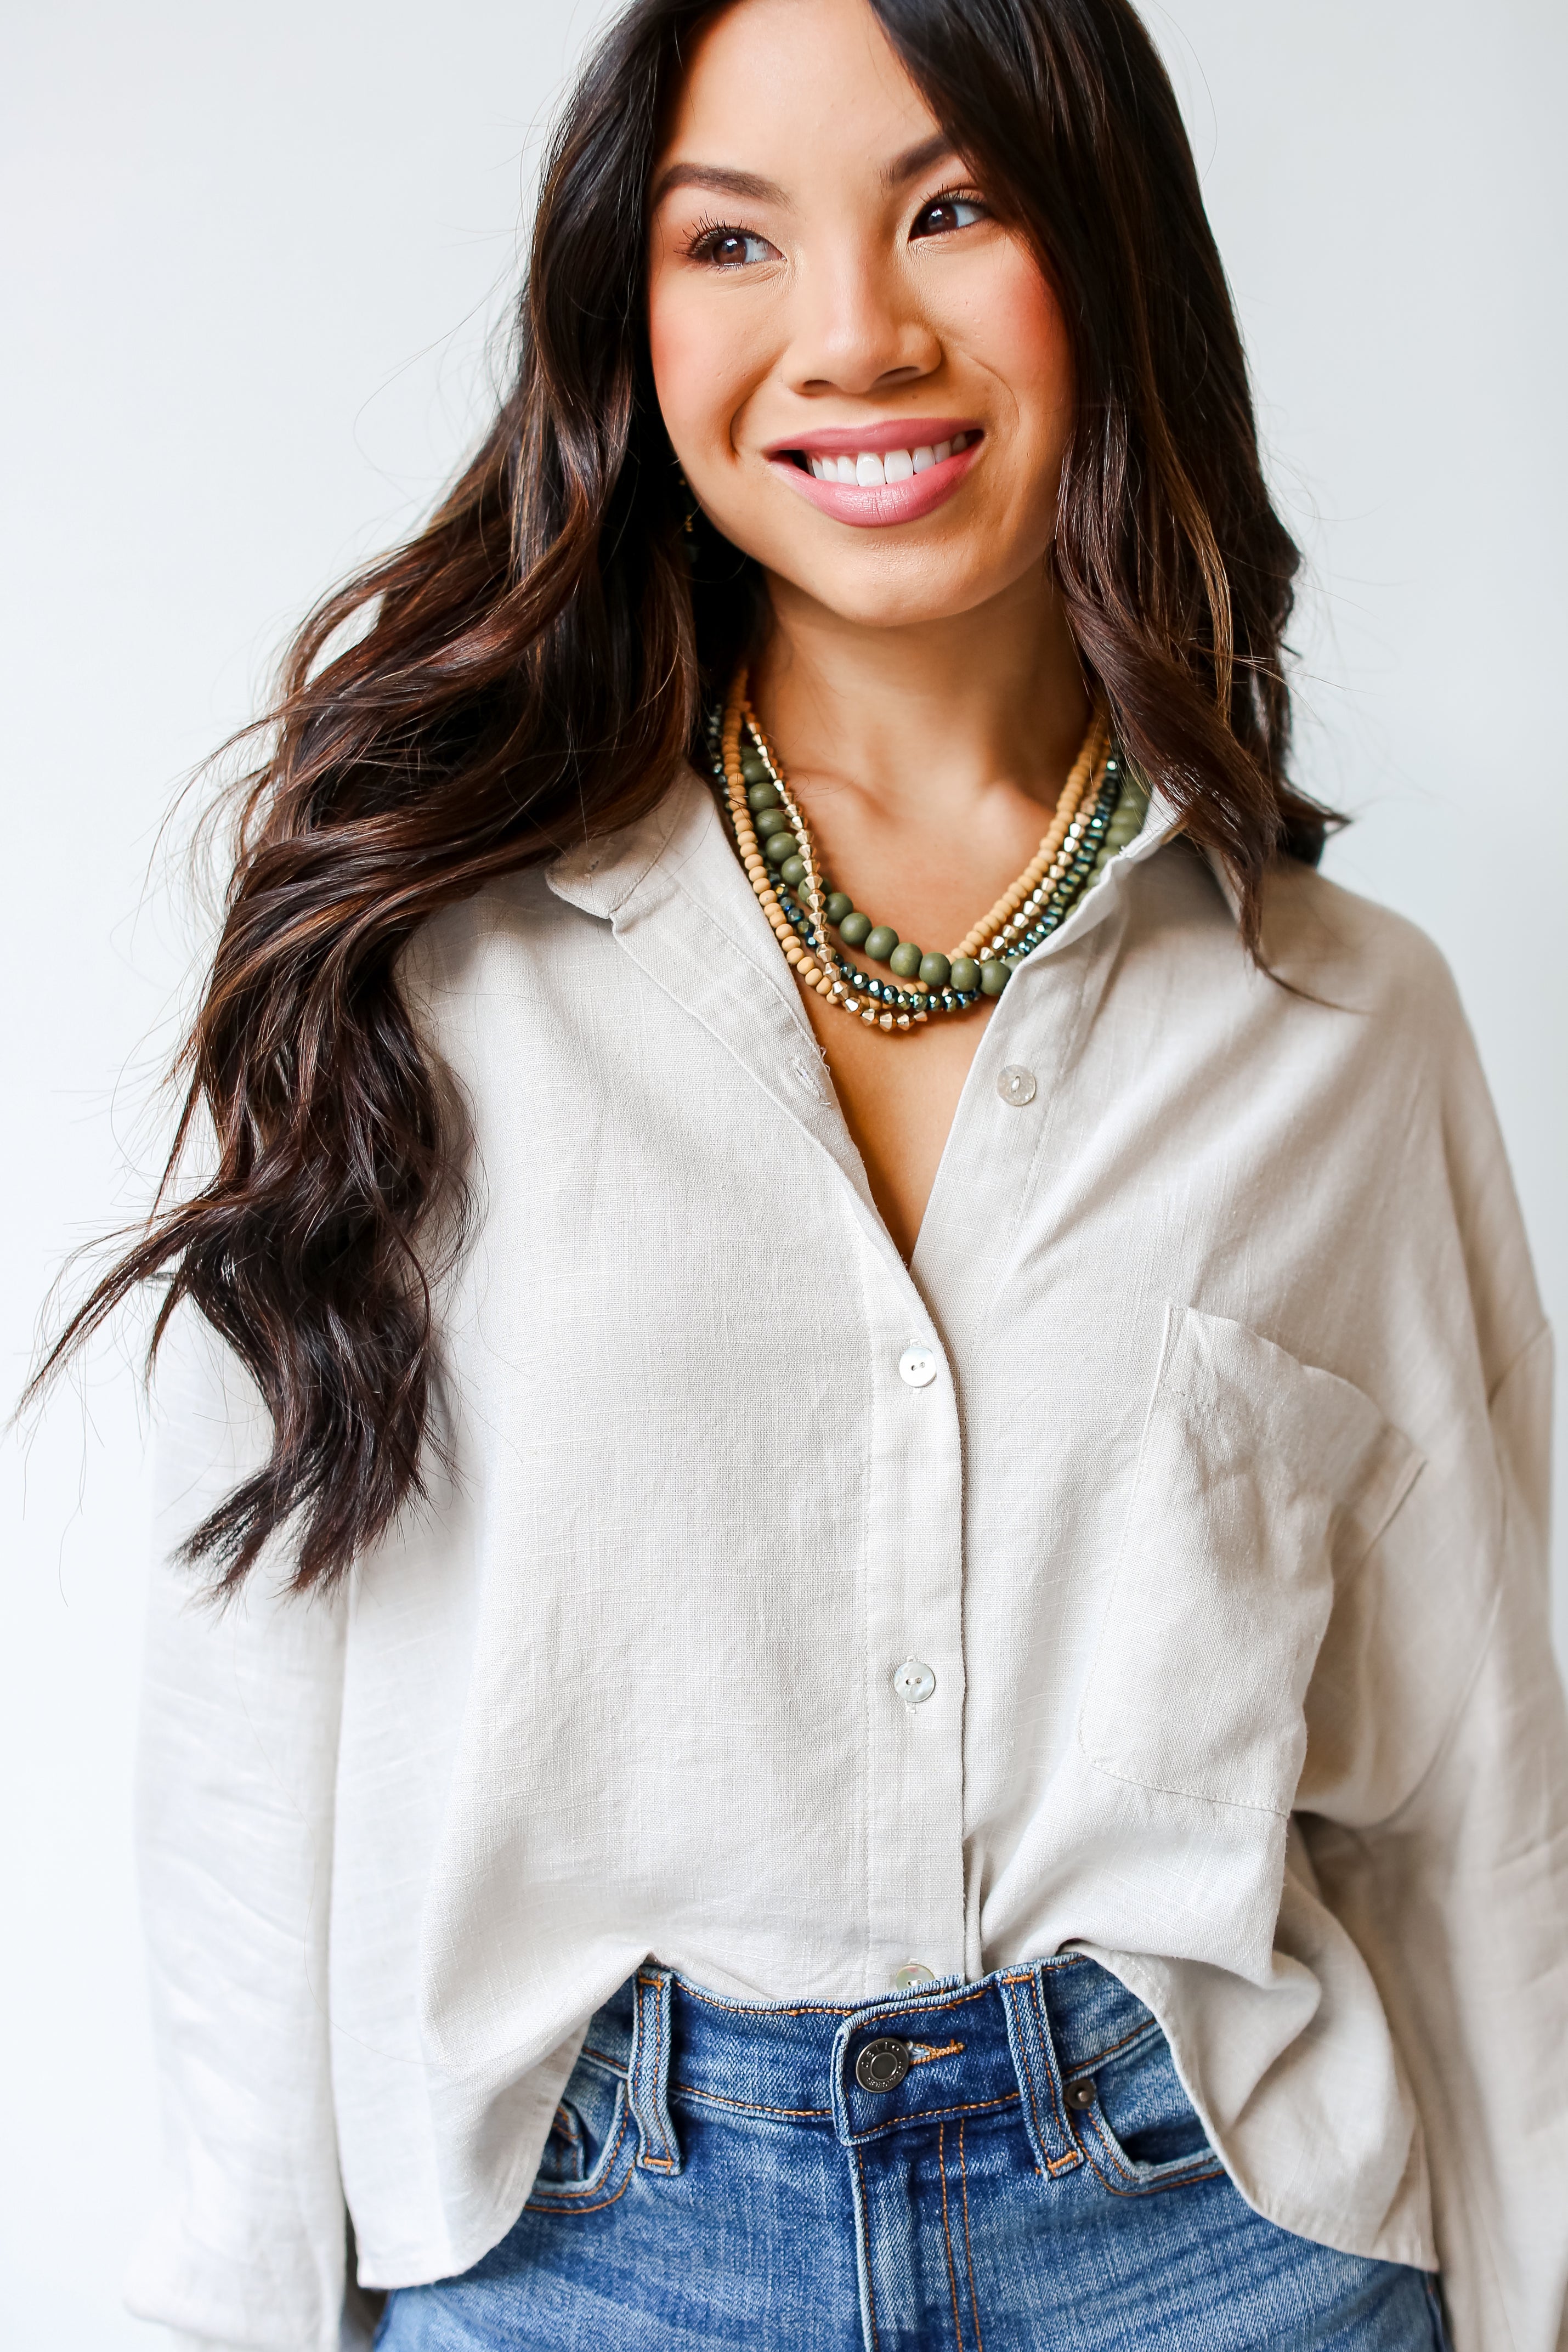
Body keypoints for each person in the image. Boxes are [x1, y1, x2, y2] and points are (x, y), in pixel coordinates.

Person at [40, 0, 1567, 2344]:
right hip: (580, 2262)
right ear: (624, 319)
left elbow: (1474, 1798)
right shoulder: (409, 965)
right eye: (728, 238)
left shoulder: (1343, 1027)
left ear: (1108, 253)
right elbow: (255, 1760)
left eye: (951, 207)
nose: (852, 332)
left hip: (1210, 2251)